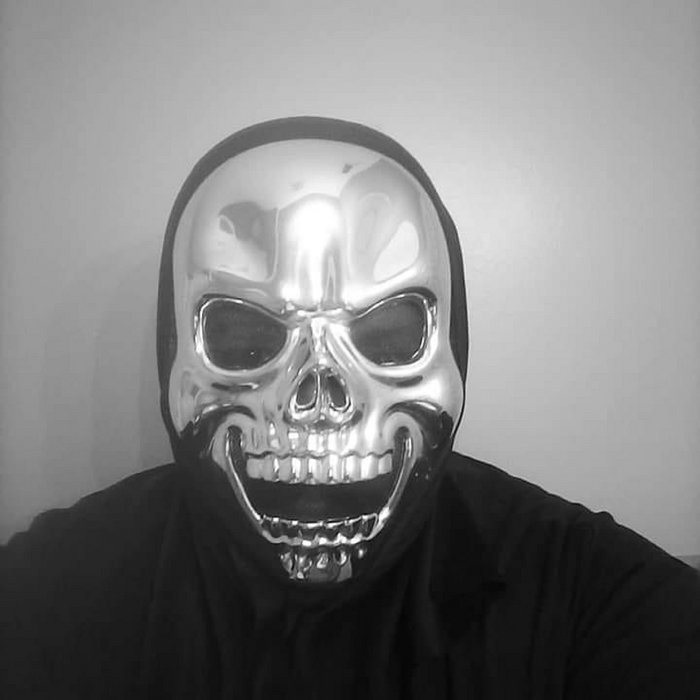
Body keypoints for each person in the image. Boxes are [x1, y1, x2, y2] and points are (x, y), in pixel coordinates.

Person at [1, 117, 699, 699]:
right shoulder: (56, 590)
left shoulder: (581, 591)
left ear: (454, 352)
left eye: (388, 335)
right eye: (244, 337)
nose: (320, 399)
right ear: (172, 356)